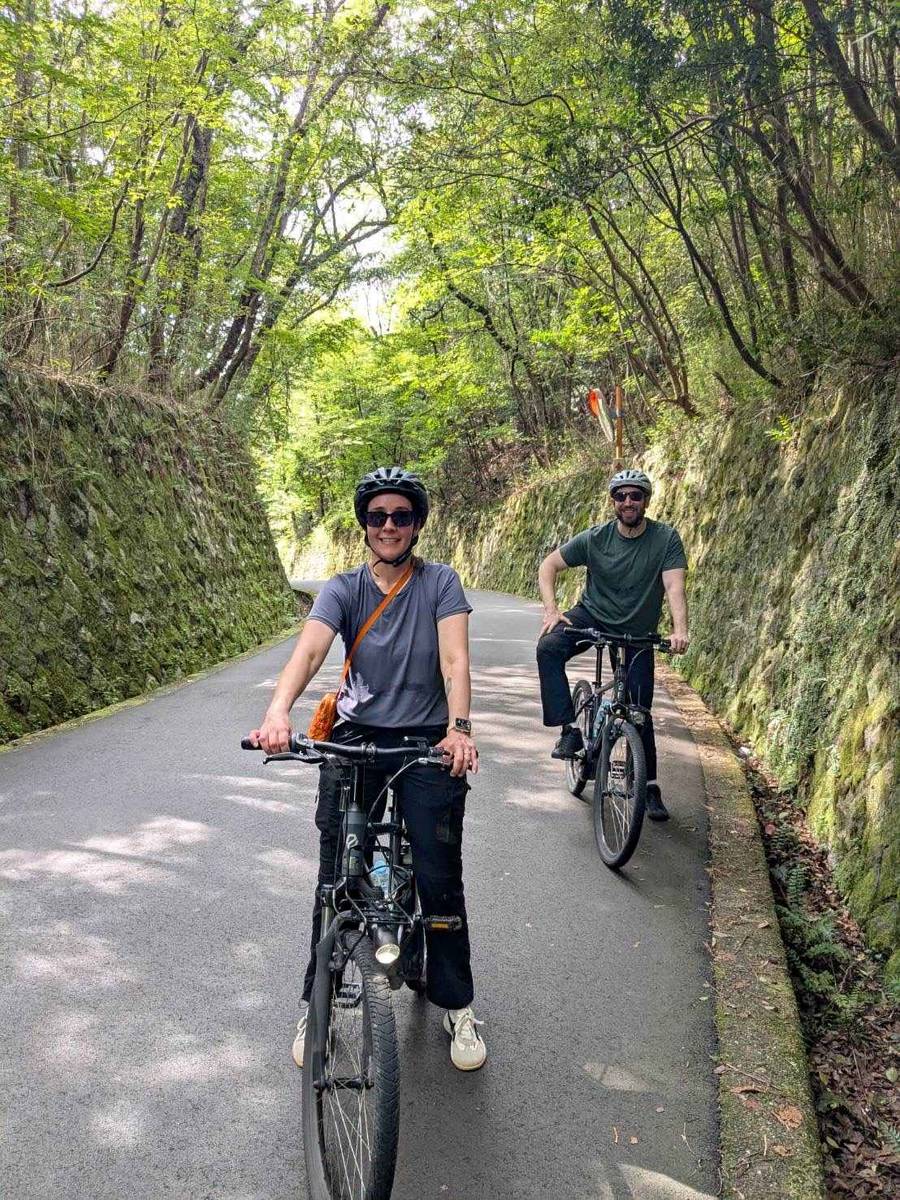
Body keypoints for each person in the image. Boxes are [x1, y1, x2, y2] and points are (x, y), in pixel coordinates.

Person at [248, 466, 486, 1071]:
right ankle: (317, 1000)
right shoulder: (344, 588)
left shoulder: (440, 583)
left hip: (426, 740)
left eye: (400, 516)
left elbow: (456, 660)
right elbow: (309, 650)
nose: (388, 526)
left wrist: (459, 728)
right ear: (364, 524)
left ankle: (457, 1004)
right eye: (377, 516)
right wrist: (278, 713)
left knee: (438, 879)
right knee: (334, 876)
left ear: (416, 525)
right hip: (354, 738)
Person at [535, 468, 689, 821]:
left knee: (639, 712)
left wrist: (680, 630)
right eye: (621, 496)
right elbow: (549, 565)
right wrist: (552, 610)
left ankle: (648, 786)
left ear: (646, 501)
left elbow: (674, 587)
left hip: (638, 631)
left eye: (635, 496)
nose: (628, 502)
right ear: (613, 502)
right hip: (592, 615)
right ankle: (569, 732)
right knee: (548, 648)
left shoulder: (665, 539)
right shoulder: (596, 538)